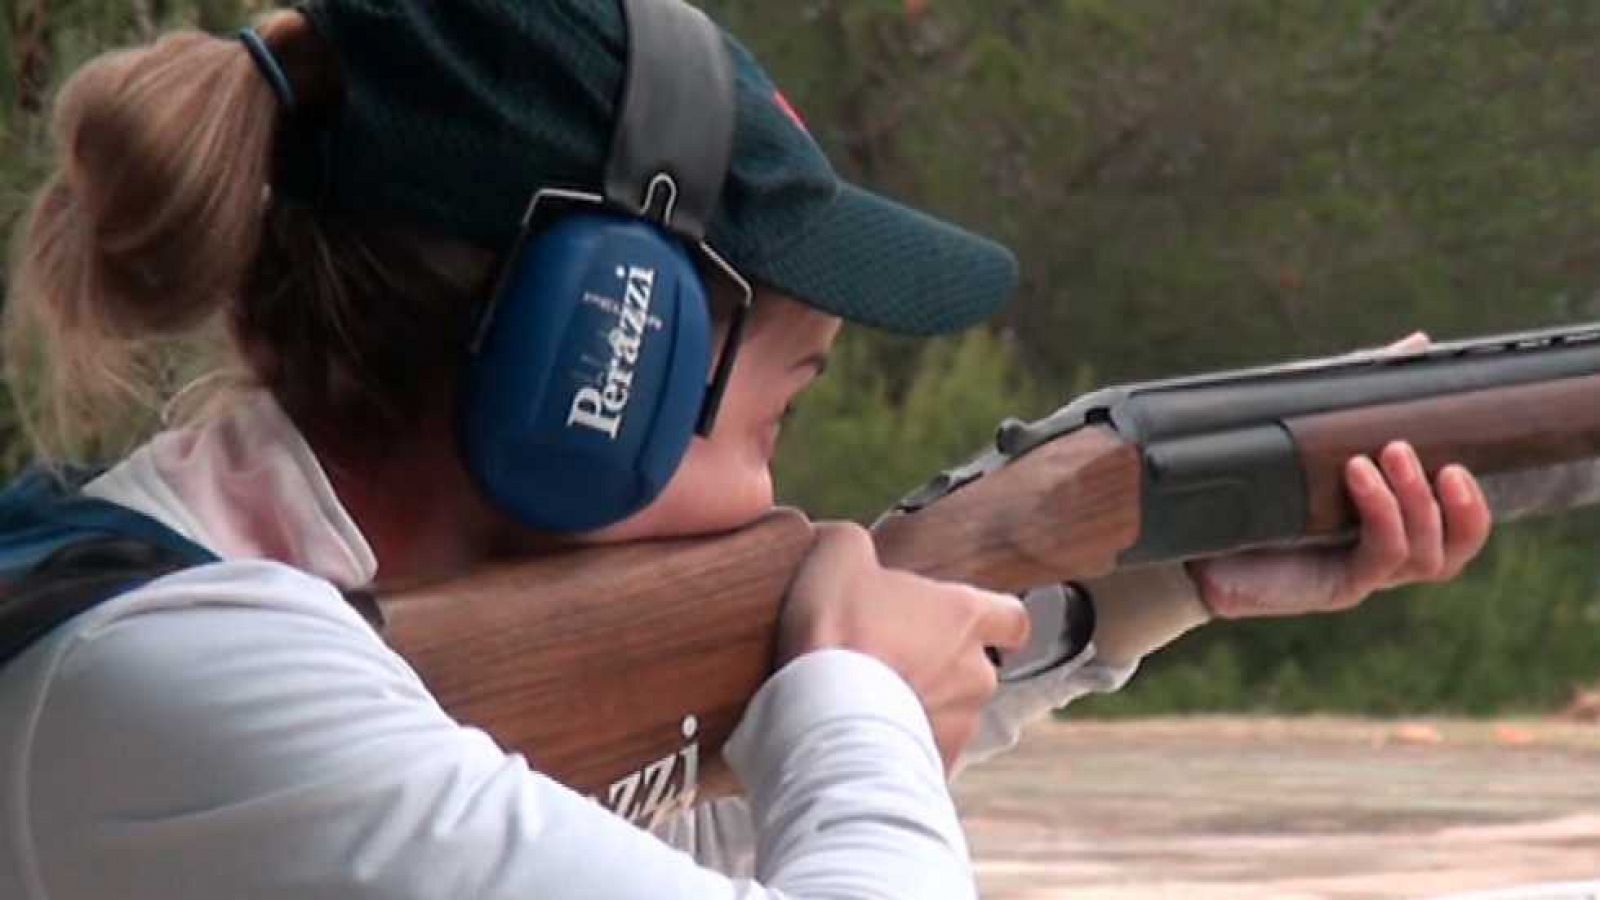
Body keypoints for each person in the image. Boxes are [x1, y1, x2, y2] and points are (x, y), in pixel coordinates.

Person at [0, 2, 1492, 898]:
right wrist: (847, 695)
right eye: (783, 409)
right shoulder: (182, 676)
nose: (782, 494)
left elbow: (678, 852)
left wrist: (1146, 585)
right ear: (598, 366)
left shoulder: (233, 618)